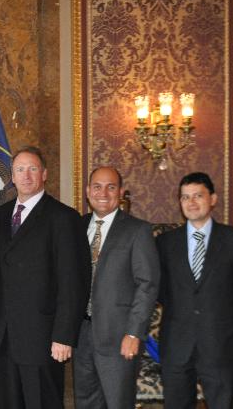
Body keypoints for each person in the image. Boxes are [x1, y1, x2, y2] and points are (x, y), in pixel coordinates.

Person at [0, 146, 90, 409]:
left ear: (44, 174)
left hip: (43, 338)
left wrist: (64, 335)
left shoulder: (64, 218)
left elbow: (73, 282)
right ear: (11, 176)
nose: (26, 175)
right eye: (20, 169)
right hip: (5, 336)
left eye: (33, 168)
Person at [157, 172, 233, 409]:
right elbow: (160, 289)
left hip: (219, 341)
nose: (191, 202)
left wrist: (219, 315)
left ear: (212, 199)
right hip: (177, 342)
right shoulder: (165, 243)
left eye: (198, 196)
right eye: (185, 197)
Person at [72, 166, 160, 408]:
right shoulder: (76, 227)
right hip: (81, 334)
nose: (103, 193)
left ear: (120, 192)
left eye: (111, 187)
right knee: (85, 402)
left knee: (118, 402)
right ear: (88, 191)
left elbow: (147, 285)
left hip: (119, 337)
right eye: (97, 187)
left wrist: (134, 333)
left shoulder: (137, 230)